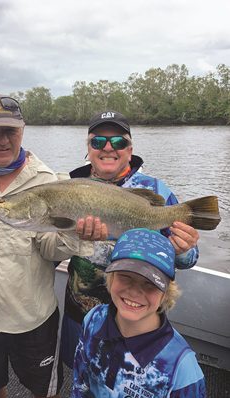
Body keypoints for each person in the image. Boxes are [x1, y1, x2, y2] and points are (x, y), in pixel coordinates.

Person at [0, 93, 107, 398]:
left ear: (23, 130)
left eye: (9, 131)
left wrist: (77, 235)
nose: (2, 140)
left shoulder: (47, 180)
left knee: (47, 393)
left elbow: (50, 249)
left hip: (33, 318)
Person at [61, 110, 200, 368]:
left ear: (130, 148)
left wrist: (182, 249)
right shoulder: (70, 186)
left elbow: (189, 259)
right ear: (88, 147)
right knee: (81, 375)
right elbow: (52, 243)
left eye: (118, 142)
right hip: (80, 310)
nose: (108, 148)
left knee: (130, 382)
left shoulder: (157, 191)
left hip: (138, 316)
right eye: (98, 141)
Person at [72, 228, 206, 398]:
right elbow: (80, 383)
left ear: (166, 292)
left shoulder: (182, 370)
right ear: (110, 278)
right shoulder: (93, 319)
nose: (135, 292)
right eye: (125, 277)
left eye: (150, 283)